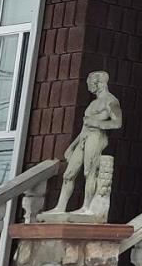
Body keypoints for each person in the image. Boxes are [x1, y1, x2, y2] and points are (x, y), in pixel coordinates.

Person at [46, 70, 122, 216]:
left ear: (97, 83)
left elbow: (117, 123)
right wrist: (72, 146)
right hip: (83, 138)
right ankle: (60, 207)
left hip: (96, 137)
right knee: (69, 174)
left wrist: (96, 122)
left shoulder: (110, 100)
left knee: (89, 172)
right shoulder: (93, 103)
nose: (88, 86)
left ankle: (87, 207)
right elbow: (84, 127)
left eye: (89, 83)